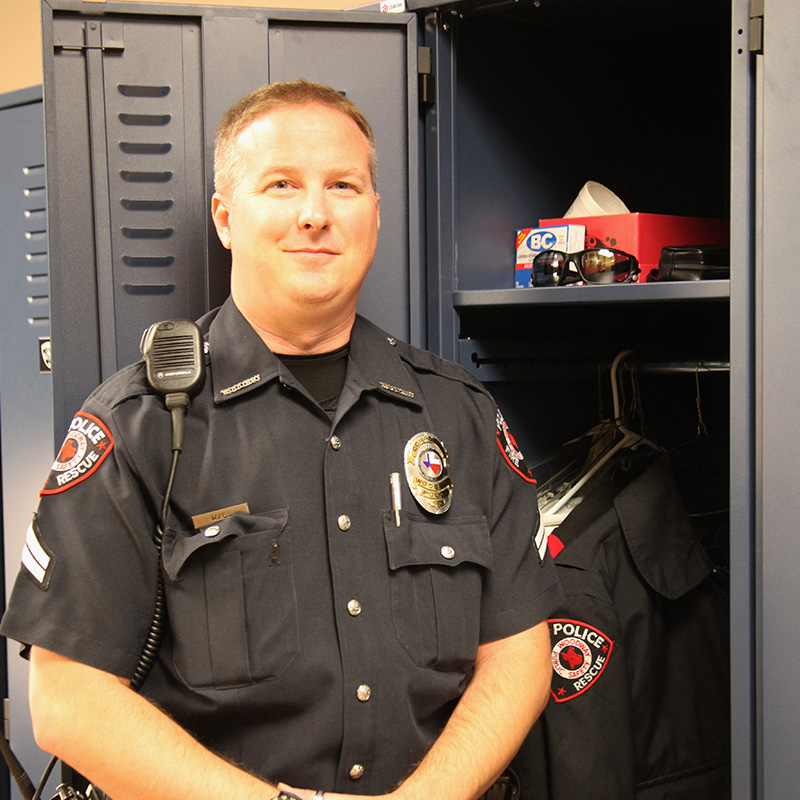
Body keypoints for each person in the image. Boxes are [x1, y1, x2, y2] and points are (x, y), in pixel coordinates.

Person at [0, 80, 562, 800]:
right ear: (225, 217)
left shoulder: (459, 414)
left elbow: (519, 651)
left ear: (376, 215)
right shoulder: (135, 425)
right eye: (281, 185)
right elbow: (68, 699)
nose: (315, 214)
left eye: (344, 186)